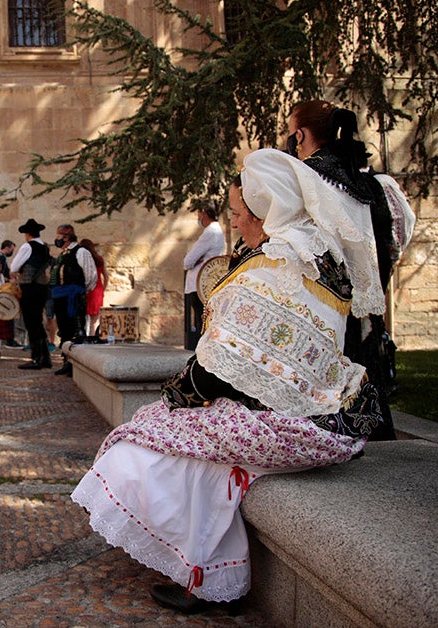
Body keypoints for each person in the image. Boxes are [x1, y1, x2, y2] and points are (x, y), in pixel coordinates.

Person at [71, 149, 383, 614]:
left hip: (287, 424)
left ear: (266, 212)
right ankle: (209, 572)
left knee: (146, 446)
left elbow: (218, 373)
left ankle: (206, 577)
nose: (235, 222)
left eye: (238, 214)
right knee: (176, 438)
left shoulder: (274, 267)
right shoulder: (316, 257)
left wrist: (181, 394)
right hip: (325, 415)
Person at [286, 100, 415, 439]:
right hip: (360, 302)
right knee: (364, 379)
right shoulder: (365, 181)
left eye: (290, 133)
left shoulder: (308, 176)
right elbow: (397, 232)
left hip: (322, 302)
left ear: (300, 134)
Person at [50, 224, 97, 376]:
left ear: (66, 237)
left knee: (76, 328)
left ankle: (76, 364)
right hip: (61, 296)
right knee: (64, 329)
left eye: (59, 236)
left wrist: (80, 291)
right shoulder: (63, 254)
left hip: (74, 296)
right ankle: (66, 361)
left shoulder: (81, 251)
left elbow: (90, 275)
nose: (56, 239)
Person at [182, 202, 227, 350]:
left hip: (199, 283)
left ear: (205, 214)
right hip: (206, 282)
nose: (199, 218)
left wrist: (192, 261)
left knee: (201, 321)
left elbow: (188, 261)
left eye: (200, 214)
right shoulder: (217, 231)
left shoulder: (210, 232)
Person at [9, 218, 52, 370]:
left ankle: (36, 359)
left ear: (27, 234)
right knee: (37, 323)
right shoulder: (45, 247)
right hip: (42, 288)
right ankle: (45, 357)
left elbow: (14, 266)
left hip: (30, 288)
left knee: (31, 323)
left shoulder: (28, 246)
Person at [79, 239, 108, 337]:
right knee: (94, 318)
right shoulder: (99, 259)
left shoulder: (85, 259)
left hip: (85, 287)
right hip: (98, 288)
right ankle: (93, 337)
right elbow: (106, 276)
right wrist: (103, 289)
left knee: (83, 315)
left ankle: (83, 336)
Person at [0, 240, 21, 348]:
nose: (12, 251)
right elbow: (1, 274)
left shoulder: (0, 257)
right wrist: (9, 280)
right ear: (7, 248)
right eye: (12, 249)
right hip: (5, 289)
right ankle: (10, 340)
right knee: (9, 314)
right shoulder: (1, 258)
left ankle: (8, 339)